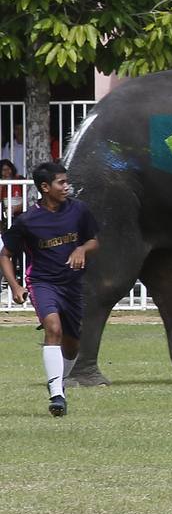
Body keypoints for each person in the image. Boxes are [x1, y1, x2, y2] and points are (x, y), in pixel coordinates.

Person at [0, 161, 99, 417]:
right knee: (53, 327)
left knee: (73, 344)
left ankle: (58, 381)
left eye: (66, 181)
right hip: (43, 283)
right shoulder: (28, 221)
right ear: (45, 187)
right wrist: (15, 286)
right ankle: (57, 395)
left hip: (73, 284)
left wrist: (80, 249)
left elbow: (93, 241)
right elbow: (5, 254)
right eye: (61, 182)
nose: (67, 186)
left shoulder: (79, 211)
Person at [1, 158, 24, 223]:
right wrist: (2, 184)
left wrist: (17, 208)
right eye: (4, 170)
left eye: (9, 169)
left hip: (20, 213)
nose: (7, 172)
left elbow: (28, 197)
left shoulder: (19, 179)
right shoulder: (1, 182)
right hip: (5, 214)